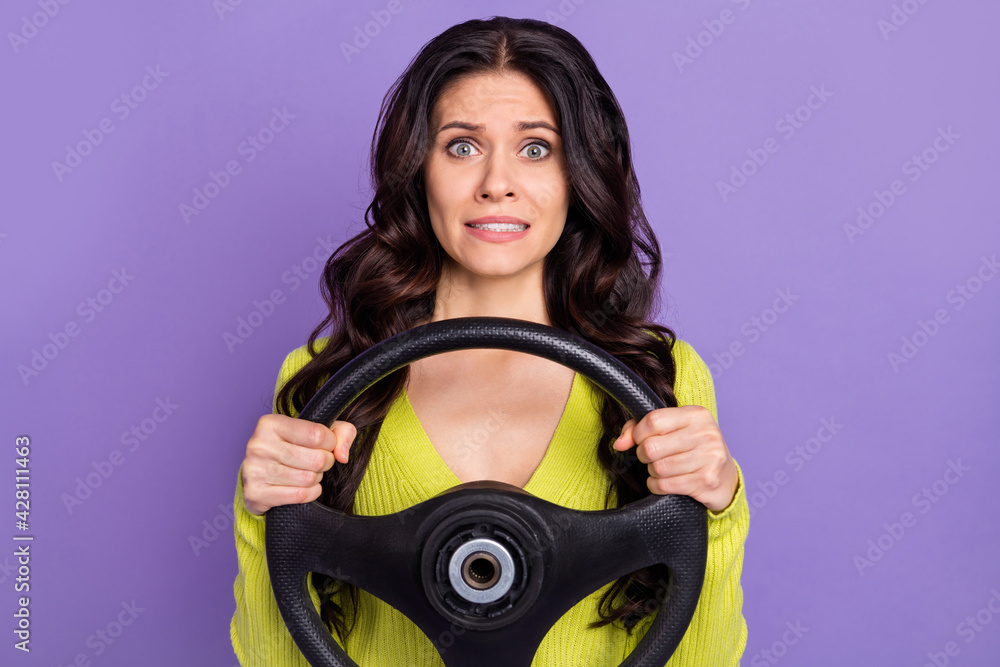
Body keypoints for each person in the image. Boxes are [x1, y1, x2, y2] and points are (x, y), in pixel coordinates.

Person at [231, 15, 749, 666]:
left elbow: (705, 657)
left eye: (536, 148)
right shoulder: (325, 382)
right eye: (461, 146)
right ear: (417, 169)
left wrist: (718, 506)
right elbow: (271, 657)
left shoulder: (661, 379)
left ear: (579, 174)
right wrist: (262, 517)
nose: (496, 182)